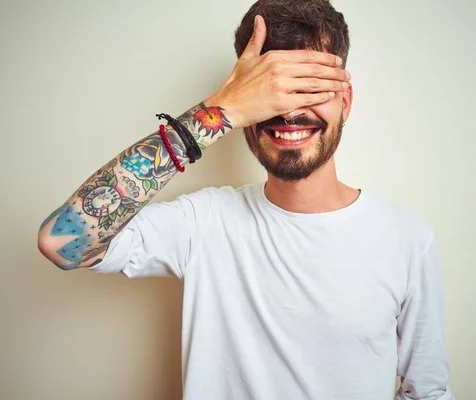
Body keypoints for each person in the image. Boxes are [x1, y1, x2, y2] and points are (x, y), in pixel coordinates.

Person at [38, 1, 454, 399]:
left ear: (344, 102)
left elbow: (428, 391)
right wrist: (218, 110)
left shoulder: (408, 240)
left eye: (309, 88)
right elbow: (62, 242)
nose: (289, 113)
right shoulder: (204, 222)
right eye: (272, 92)